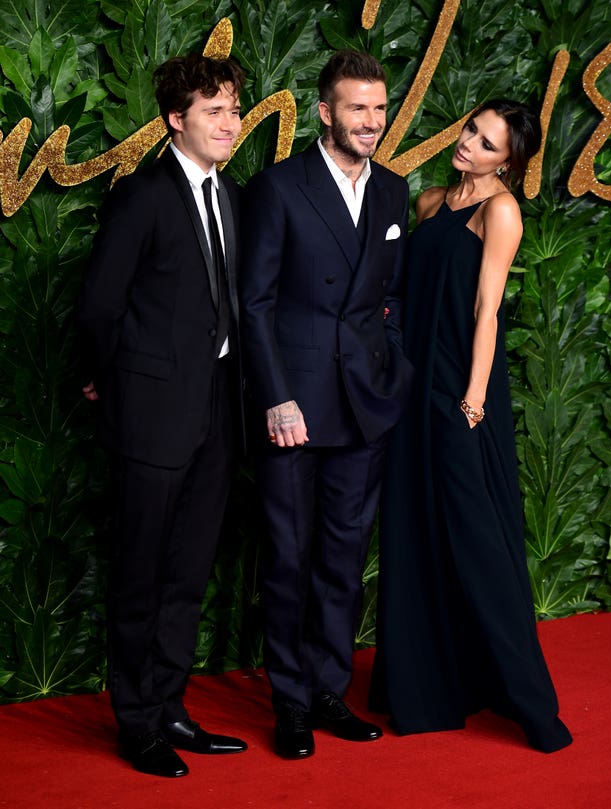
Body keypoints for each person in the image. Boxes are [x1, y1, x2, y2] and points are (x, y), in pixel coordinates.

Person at [370, 99, 572, 753]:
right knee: (414, 527)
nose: (469, 144)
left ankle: (532, 706)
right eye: (471, 130)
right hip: (412, 384)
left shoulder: (501, 211)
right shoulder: (429, 202)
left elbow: (488, 310)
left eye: (488, 143)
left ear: (508, 162)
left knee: (477, 538)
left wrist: (474, 400)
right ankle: (429, 685)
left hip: (462, 390)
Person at [77, 53, 248, 777]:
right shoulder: (142, 194)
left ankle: (170, 704)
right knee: (141, 573)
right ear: (176, 119)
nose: (229, 123)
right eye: (213, 111)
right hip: (151, 414)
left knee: (187, 569)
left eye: (233, 109)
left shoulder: (229, 193)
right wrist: (106, 382)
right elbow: (99, 304)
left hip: (217, 408)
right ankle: (137, 722)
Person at [241, 50, 413, 759]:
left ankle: (326, 690)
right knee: (288, 557)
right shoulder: (278, 186)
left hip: (366, 404)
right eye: (356, 108)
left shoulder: (395, 189)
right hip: (296, 408)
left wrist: (391, 365)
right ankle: (289, 702)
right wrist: (276, 397)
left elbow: (391, 295)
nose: (371, 121)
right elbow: (254, 303)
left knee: (344, 558)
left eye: (379, 108)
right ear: (325, 112)